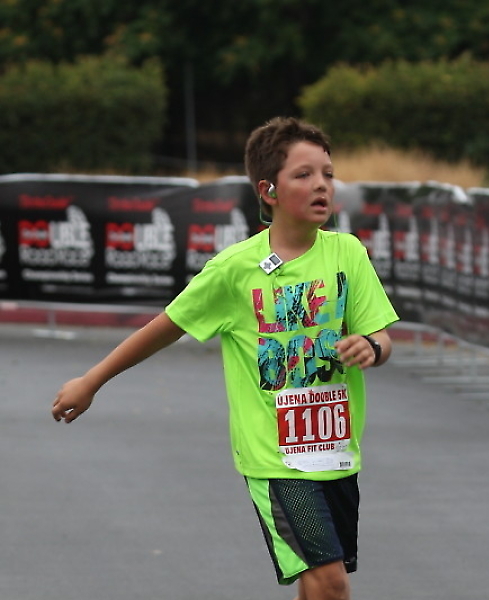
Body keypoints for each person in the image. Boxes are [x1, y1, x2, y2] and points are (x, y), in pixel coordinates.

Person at [52, 116, 399, 600]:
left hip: (337, 451)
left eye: (327, 173)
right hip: (274, 458)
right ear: (268, 190)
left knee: (317, 581)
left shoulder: (347, 254)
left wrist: (373, 347)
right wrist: (92, 380)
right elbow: (164, 327)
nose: (321, 184)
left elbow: (380, 334)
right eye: (303, 175)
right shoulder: (235, 270)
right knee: (330, 581)